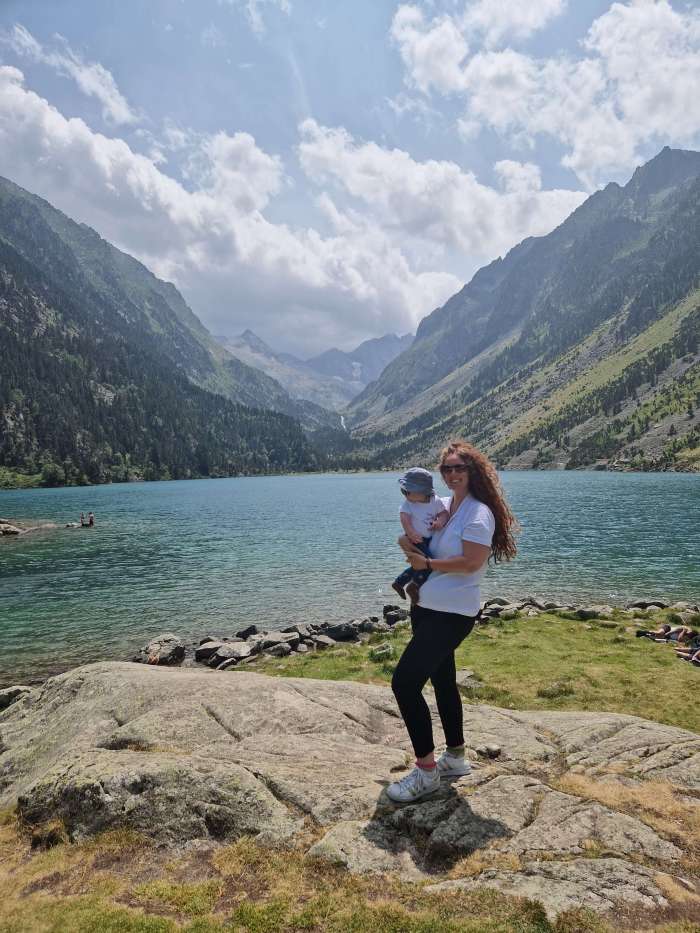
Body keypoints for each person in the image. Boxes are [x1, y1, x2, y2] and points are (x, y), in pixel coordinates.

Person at [386, 440, 518, 804]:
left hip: (452, 614)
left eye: (460, 467)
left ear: (474, 470)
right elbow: (411, 531)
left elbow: (472, 562)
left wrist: (426, 565)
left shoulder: (478, 513)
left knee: (404, 683)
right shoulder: (444, 505)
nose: (454, 474)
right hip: (427, 606)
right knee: (443, 681)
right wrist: (405, 540)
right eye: (447, 469)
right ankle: (455, 758)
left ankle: (427, 773)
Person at [392, 467, 448, 603]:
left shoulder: (435, 500)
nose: (404, 493)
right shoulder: (408, 504)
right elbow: (404, 518)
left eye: (407, 490)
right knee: (430, 563)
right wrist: (410, 532)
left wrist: (440, 522)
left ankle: (399, 582)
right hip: (416, 539)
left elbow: (444, 513)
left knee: (423, 563)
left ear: (422, 491)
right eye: (402, 490)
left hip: (429, 538)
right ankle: (414, 585)